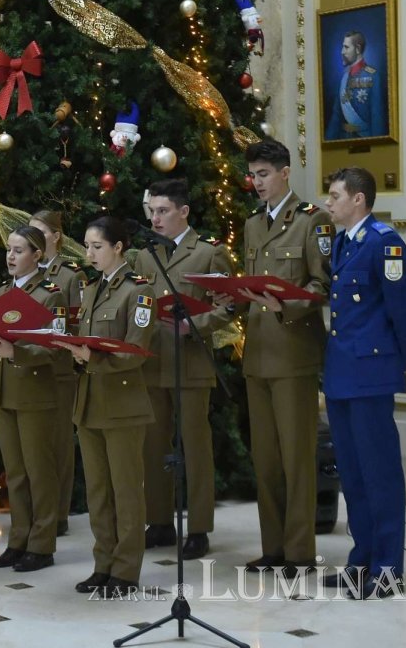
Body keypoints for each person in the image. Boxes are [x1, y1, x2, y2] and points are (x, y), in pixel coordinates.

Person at [222, 139, 332, 575]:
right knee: (265, 459)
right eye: (253, 175)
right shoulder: (253, 225)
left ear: (285, 173)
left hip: (294, 355)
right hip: (259, 356)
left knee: (297, 457)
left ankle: (301, 551)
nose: (257, 183)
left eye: (264, 174)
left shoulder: (313, 221)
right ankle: (273, 547)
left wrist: (287, 304)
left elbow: (322, 287)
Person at [320, 167, 406, 599]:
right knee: (354, 475)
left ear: (358, 199)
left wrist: (393, 364)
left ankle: (388, 568)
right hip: (342, 372)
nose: (329, 202)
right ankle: (362, 560)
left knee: (380, 475)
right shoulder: (343, 240)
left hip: (371, 374)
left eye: (336, 196)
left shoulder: (384, 242)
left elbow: (403, 313)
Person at [131, 180, 233, 560]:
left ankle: (199, 528)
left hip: (190, 361)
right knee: (152, 445)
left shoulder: (208, 252)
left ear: (183, 211)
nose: (155, 218)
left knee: (195, 446)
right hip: (153, 361)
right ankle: (158, 521)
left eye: (162, 211)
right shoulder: (144, 256)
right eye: (152, 211)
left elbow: (228, 305)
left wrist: (196, 325)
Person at [64, 216, 157, 597]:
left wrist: (93, 359)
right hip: (89, 403)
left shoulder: (139, 291)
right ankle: (103, 564)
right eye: (86, 246)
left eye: (96, 246)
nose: (88, 254)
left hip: (122, 404)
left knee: (126, 490)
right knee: (99, 491)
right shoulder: (91, 289)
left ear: (118, 247)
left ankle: (126, 569)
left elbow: (136, 351)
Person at [0, 226, 65, 573]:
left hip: (35, 391)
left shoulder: (50, 294)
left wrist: (16, 352)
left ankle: (42, 544)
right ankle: (19, 539)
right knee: (16, 471)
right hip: (4, 389)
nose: (10, 256)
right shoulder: (3, 292)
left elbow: (55, 348)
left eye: (19, 250)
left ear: (37, 255)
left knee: (39, 470)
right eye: (8, 249)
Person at [29, 209, 88, 538]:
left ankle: (60, 513)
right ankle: (41, 511)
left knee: (60, 445)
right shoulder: (26, 272)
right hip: (30, 366)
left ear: (55, 237)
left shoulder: (69, 275)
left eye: (39, 231)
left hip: (60, 368)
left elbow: (77, 323)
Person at [325, 30, 386, 140]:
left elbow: (377, 118)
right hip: (343, 141)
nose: (342, 52)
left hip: (365, 139)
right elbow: (336, 116)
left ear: (357, 49)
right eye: (343, 47)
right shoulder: (343, 78)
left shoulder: (373, 76)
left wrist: (377, 148)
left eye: (346, 47)